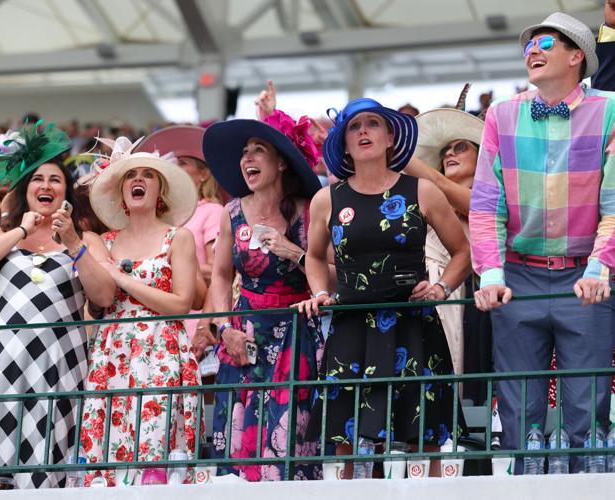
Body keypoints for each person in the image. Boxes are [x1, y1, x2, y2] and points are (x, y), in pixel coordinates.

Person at [470, 12, 615, 473]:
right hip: (517, 276)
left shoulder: (611, 109)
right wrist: (491, 274)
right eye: (529, 44)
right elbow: (485, 204)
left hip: (583, 275)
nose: (533, 49)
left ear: (578, 56)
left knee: (587, 405)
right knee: (518, 410)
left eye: (546, 42)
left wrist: (599, 267)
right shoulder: (500, 114)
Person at [297, 98, 469, 470]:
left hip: (413, 324)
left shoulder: (422, 190)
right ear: (343, 144)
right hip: (351, 325)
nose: (363, 132)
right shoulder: (326, 199)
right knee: (350, 446)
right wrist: (320, 293)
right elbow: (313, 256)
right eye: (354, 127)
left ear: (390, 136)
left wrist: (441, 289)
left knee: (423, 438)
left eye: (372, 123)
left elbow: (463, 251)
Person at [0, 121, 114, 489]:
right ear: (26, 190)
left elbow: (104, 296)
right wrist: (21, 230)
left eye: (55, 180)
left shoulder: (86, 238)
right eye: (37, 180)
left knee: (50, 452)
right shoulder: (4, 233)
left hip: (58, 361)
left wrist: (74, 242)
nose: (46, 185)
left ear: (66, 192)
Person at [201, 111, 323, 481]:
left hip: (297, 333)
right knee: (236, 441)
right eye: (244, 153)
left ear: (282, 162)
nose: (247, 159)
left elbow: (330, 277)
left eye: (258, 150)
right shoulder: (231, 212)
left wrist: (292, 251)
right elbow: (221, 277)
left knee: (288, 440)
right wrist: (224, 329)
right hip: (243, 334)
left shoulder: (308, 211)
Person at [79, 136, 203, 486]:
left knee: (157, 452)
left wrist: (124, 279)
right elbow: (100, 299)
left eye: (148, 175)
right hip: (113, 351)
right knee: (108, 453)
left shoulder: (178, 238)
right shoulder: (103, 242)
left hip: (162, 348)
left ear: (159, 191)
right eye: (131, 176)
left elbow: (181, 303)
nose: (139, 180)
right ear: (121, 194)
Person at [403, 85, 493, 403]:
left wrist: (396, 149)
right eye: (444, 152)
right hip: (433, 303)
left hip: (483, 311)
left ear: (482, 153)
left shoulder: (493, 196)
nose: (449, 154)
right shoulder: (427, 202)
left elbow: (450, 190)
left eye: (459, 147)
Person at [136, 125, 225, 349]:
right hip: (158, 320)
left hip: (194, 319)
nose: (175, 168)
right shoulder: (164, 217)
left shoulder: (212, 211)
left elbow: (220, 271)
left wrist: (206, 324)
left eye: (183, 163)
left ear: (204, 174)